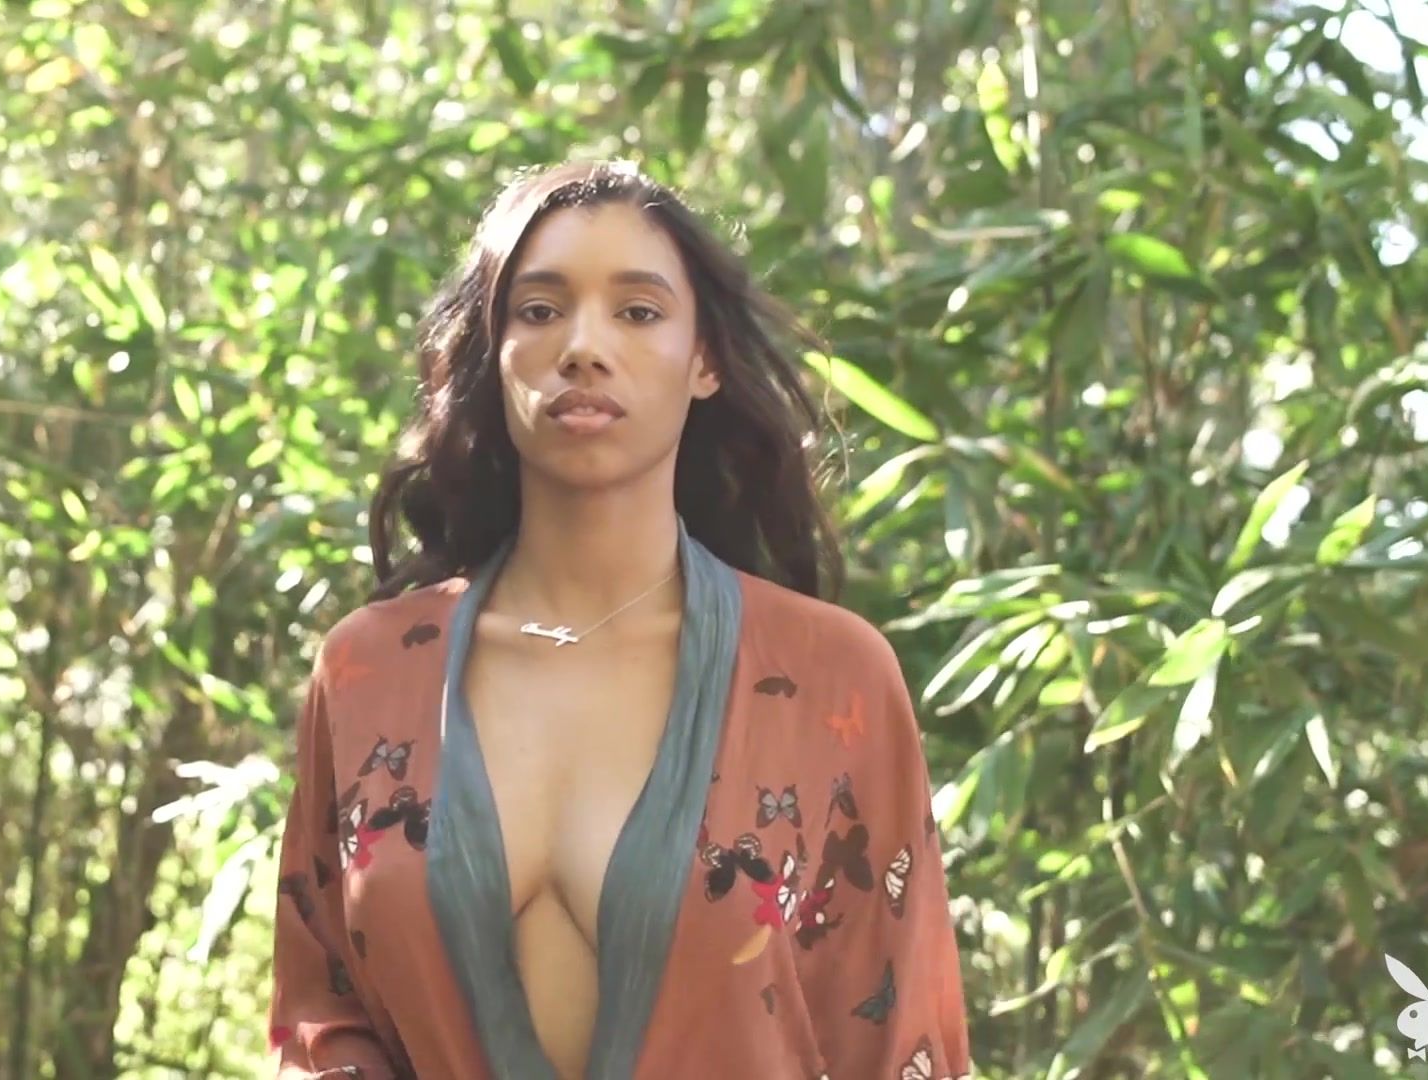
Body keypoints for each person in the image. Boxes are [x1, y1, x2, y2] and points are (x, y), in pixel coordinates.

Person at [268, 159, 971, 1080]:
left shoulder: (829, 677)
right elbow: (319, 1017)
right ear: (494, 352)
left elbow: (899, 1040)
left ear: (705, 360)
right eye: (538, 310)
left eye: (637, 312)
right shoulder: (369, 671)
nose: (583, 347)